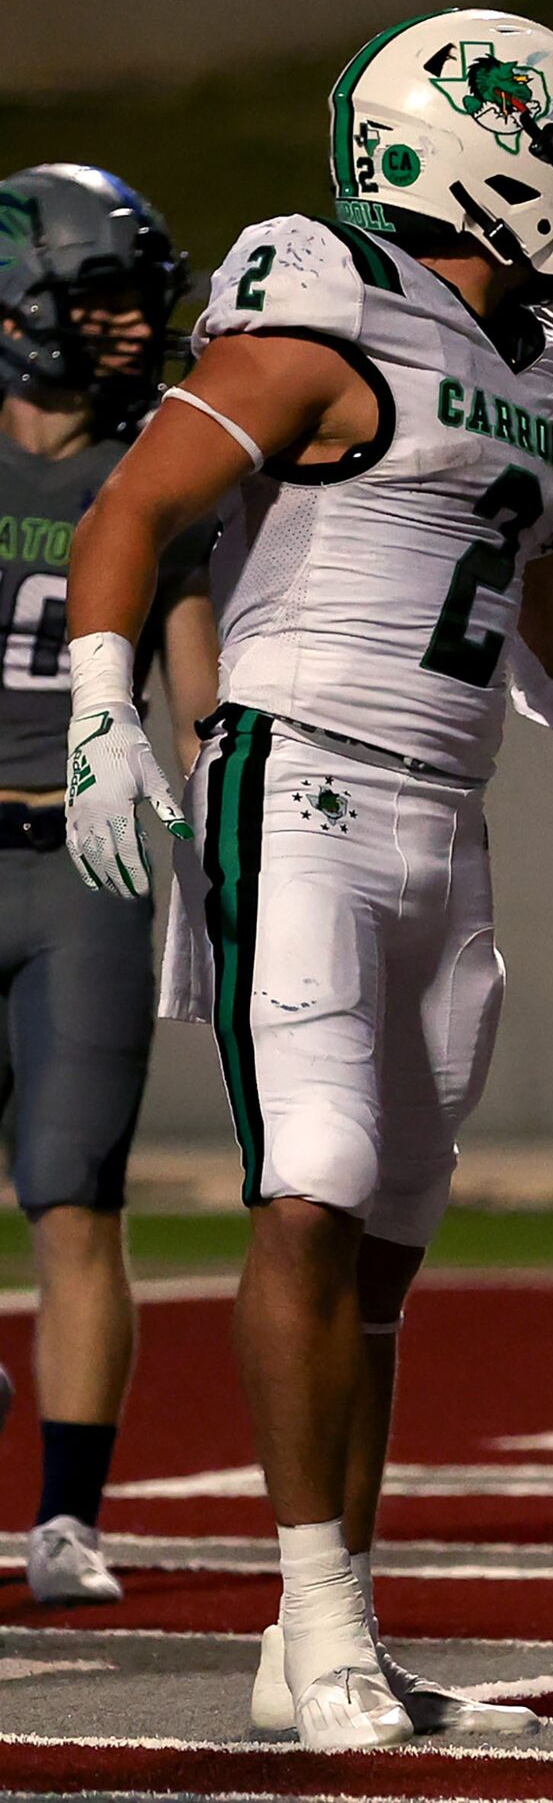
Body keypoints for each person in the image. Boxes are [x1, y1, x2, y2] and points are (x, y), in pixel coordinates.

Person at [62, 7, 553, 1750]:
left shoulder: (534, 370)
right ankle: (319, 1624)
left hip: (447, 818)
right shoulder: (324, 305)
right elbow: (132, 512)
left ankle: (328, 1639)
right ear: (476, 147)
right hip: (295, 781)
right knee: (310, 1185)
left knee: (382, 1250)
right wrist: (103, 714)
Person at [0, 163, 216, 1605]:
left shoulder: (163, 469)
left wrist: (231, 849)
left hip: (85, 860)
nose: (136, 329)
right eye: (103, 302)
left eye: (141, 302)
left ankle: (68, 1513)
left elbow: (196, 696)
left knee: (75, 1192)